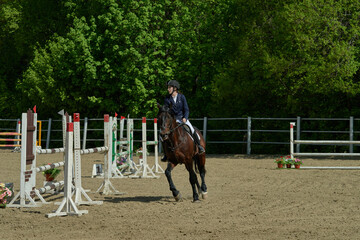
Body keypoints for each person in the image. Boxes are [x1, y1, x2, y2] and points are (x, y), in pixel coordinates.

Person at [161, 80, 205, 162]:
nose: (168, 89)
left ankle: (199, 146)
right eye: (168, 88)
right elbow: (166, 111)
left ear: (175, 88)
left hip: (182, 119)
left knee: (192, 130)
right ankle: (166, 154)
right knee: (164, 134)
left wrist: (185, 117)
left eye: (169, 87)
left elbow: (186, 109)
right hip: (173, 120)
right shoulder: (167, 99)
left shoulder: (182, 97)